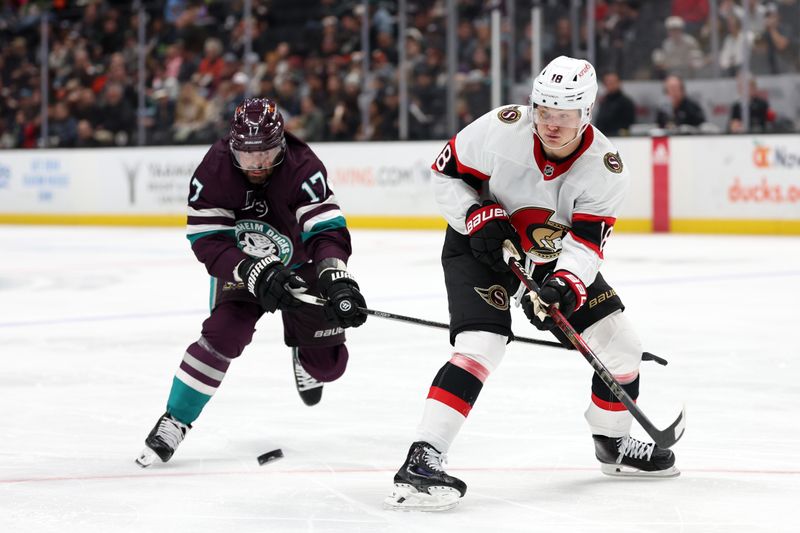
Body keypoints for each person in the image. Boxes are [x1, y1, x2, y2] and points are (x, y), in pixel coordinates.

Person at [385, 56, 678, 512]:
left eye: (564, 116)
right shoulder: (501, 128)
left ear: (587, 113)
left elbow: (585, 245)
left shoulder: (605, 167)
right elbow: (445, 173)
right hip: (479, 244)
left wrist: (563, 286)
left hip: (549, 257)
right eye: (544, 111)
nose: (551, 125)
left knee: (621, 345)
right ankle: (422, 459)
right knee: (482, 343)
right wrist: (473, 214)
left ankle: (613, 445)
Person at [136, 97, 368, 467]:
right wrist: (248, 270)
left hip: (301, 263)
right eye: (248, 155)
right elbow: (208, 240)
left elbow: (325, 229)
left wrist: (335, 275)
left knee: (329, 367)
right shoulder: (212, 171)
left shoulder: (303, 166)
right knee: (223, 335)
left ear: (281, 144)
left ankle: (304, 353)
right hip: (243, 267)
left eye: (266, 154)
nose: (257, 164)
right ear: (232, 146)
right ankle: (176, 420)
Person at [594, 72, 636, 136]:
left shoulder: (626, 102)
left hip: (619, 139)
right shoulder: (604, 101)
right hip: (602, 137)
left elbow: (628, 125)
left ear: (619, 83)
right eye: (607, 82)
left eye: (612, 82)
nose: (609, 84)